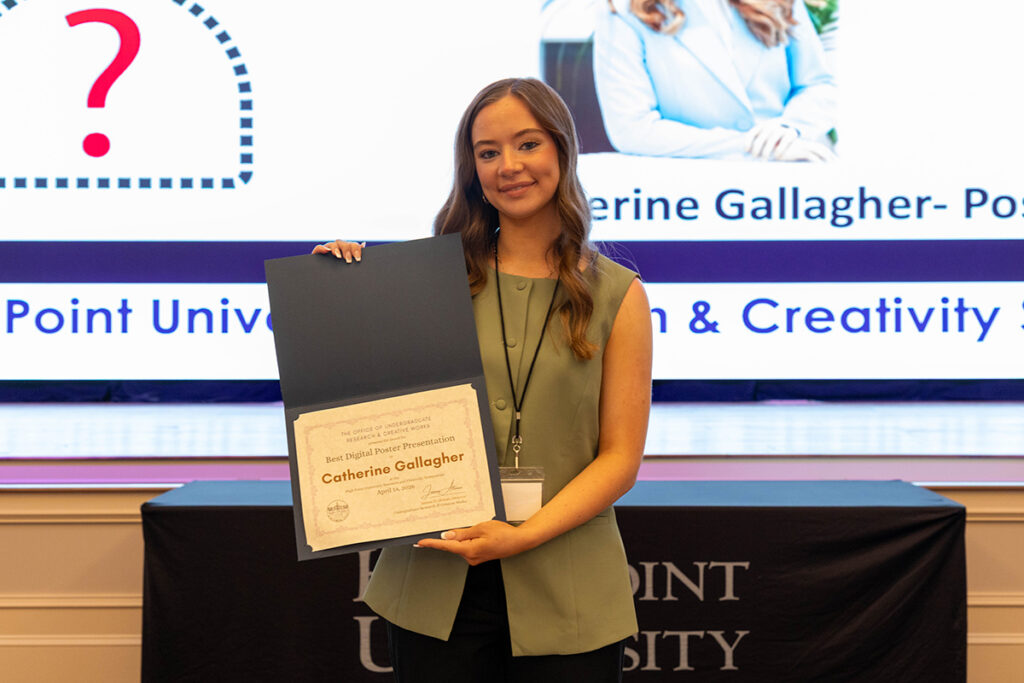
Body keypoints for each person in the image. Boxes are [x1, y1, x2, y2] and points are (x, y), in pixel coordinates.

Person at [313, 77, 652, 681]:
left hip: (568, 586)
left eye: (527, 144)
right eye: (488, 152)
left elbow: (620, 459)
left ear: (563, 152)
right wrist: (337, 294)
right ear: (471, 168)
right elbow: (358, 400)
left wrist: (520, 538)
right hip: (435, 582)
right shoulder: (423, 281)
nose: (509, 166)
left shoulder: (618, 296)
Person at [593, 0, 838, 161]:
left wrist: (790, 127)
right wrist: (752, 146)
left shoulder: (780, 3)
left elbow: (817, 84)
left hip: (788, 193)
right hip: (684, 199)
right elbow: (632, 128)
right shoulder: (624, 11)